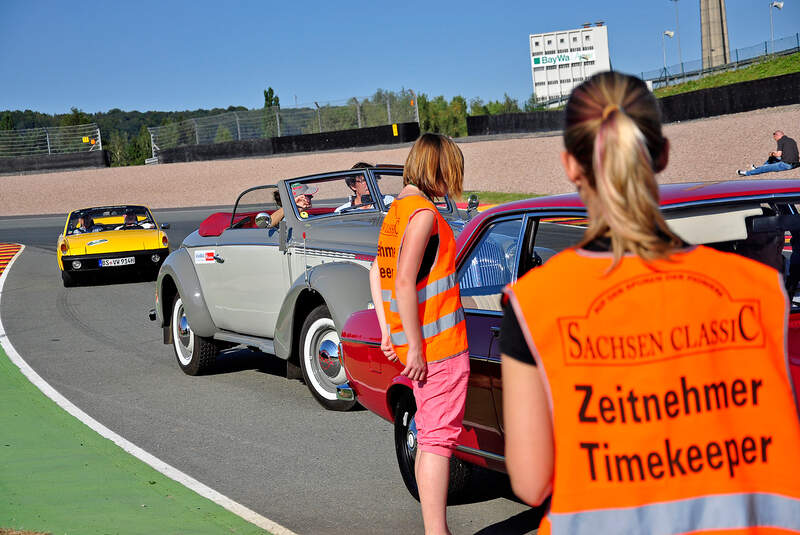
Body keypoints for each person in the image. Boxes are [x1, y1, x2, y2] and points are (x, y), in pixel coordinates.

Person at [500, 71, 800, 534]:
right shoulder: (758, 288)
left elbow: (531, 480)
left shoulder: (535, 302)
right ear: (660, 154)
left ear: (571, 166)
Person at [369, 133, 469, 535]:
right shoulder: (425, 214)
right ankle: (436, 531)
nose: (454, 180)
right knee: (438, 442)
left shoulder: (398, 210)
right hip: (437, 347)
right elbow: (405, 280)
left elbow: (378, 273)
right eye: (452, 171)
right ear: (439, 169)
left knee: (431, 437)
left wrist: (387, 332)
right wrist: (413, 347)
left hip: (416, 343)